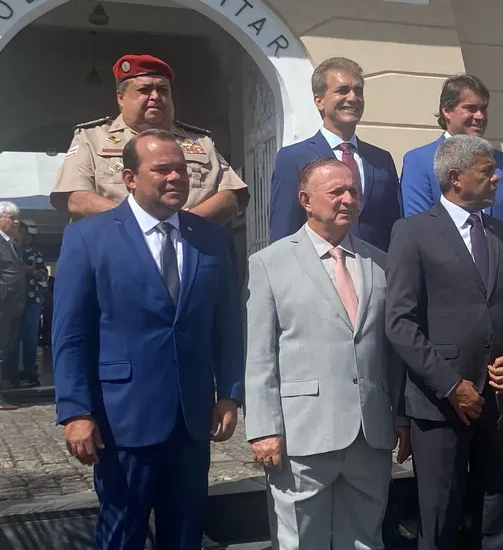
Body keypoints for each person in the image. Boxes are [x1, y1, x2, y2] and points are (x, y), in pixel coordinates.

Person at [53, 129, 244, 550]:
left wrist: (230, 394)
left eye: (181, 168)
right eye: (163, 169)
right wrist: (75, 411)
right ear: (130, 177)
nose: (176, 176)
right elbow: (70, 332)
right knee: (122, 540)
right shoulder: (89, 236)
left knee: (185, 541)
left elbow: (226, 323)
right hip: (122, 418)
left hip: (190, 417)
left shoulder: (209, 238)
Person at [245, 156, 410, 550]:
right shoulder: (270, 264)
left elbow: (388, 353)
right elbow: (260, 356)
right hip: (301, 434)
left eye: (353, 191)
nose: (348, 199)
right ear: (305, 200)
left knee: (366, 543)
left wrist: (398, 417)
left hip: (369, 432)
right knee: (299, 548)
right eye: (336, 191)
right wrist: (264, 429)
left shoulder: (379, 264)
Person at [385, 134, 503, 550]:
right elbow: (400, 322)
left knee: (499, 510)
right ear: (456, 178)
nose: (497, 177)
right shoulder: (413, 232)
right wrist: (451, 385)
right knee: (440, 516)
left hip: (498, 399)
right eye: (487, 170)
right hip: (440, 404)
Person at [50, 54, 248, 226]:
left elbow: (231, 196)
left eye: (163, 90)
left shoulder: (201, 142)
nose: (155, 97)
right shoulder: (91, 138)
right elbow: (73, 197)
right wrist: (139, 224)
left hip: (189, 248)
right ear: (120, 98)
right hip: (116, 248)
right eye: (144, 90)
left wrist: (183, 224)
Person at [269, 57, 402, 251]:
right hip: (317, 275)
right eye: (342, 90)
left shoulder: (381, 160)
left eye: (358, 91)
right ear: (319, 101)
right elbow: (283, 231)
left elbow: (394, 227)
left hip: (376, 275)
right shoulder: (293, 158)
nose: (353, 98)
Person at [400, 74, 503, 244]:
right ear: (446, 111)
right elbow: (419, 227)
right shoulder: (420, 161)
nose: (480, 116)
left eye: (483, 108)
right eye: (471, 108)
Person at [5, 220, 47, 388]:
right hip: (12, 301)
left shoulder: (33, 252)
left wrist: (34, 272)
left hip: (32, 301)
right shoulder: (7, 251)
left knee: (30, 338)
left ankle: (30, 373)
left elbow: (43, 274)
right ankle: (12, 374)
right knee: (11, 339)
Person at [0, 202, 24, 408]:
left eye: (17, 217)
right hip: (3, 305)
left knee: (6, 348)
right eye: (10, 217)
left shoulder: (11, 242)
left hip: (13, 306)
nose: (16, 221)